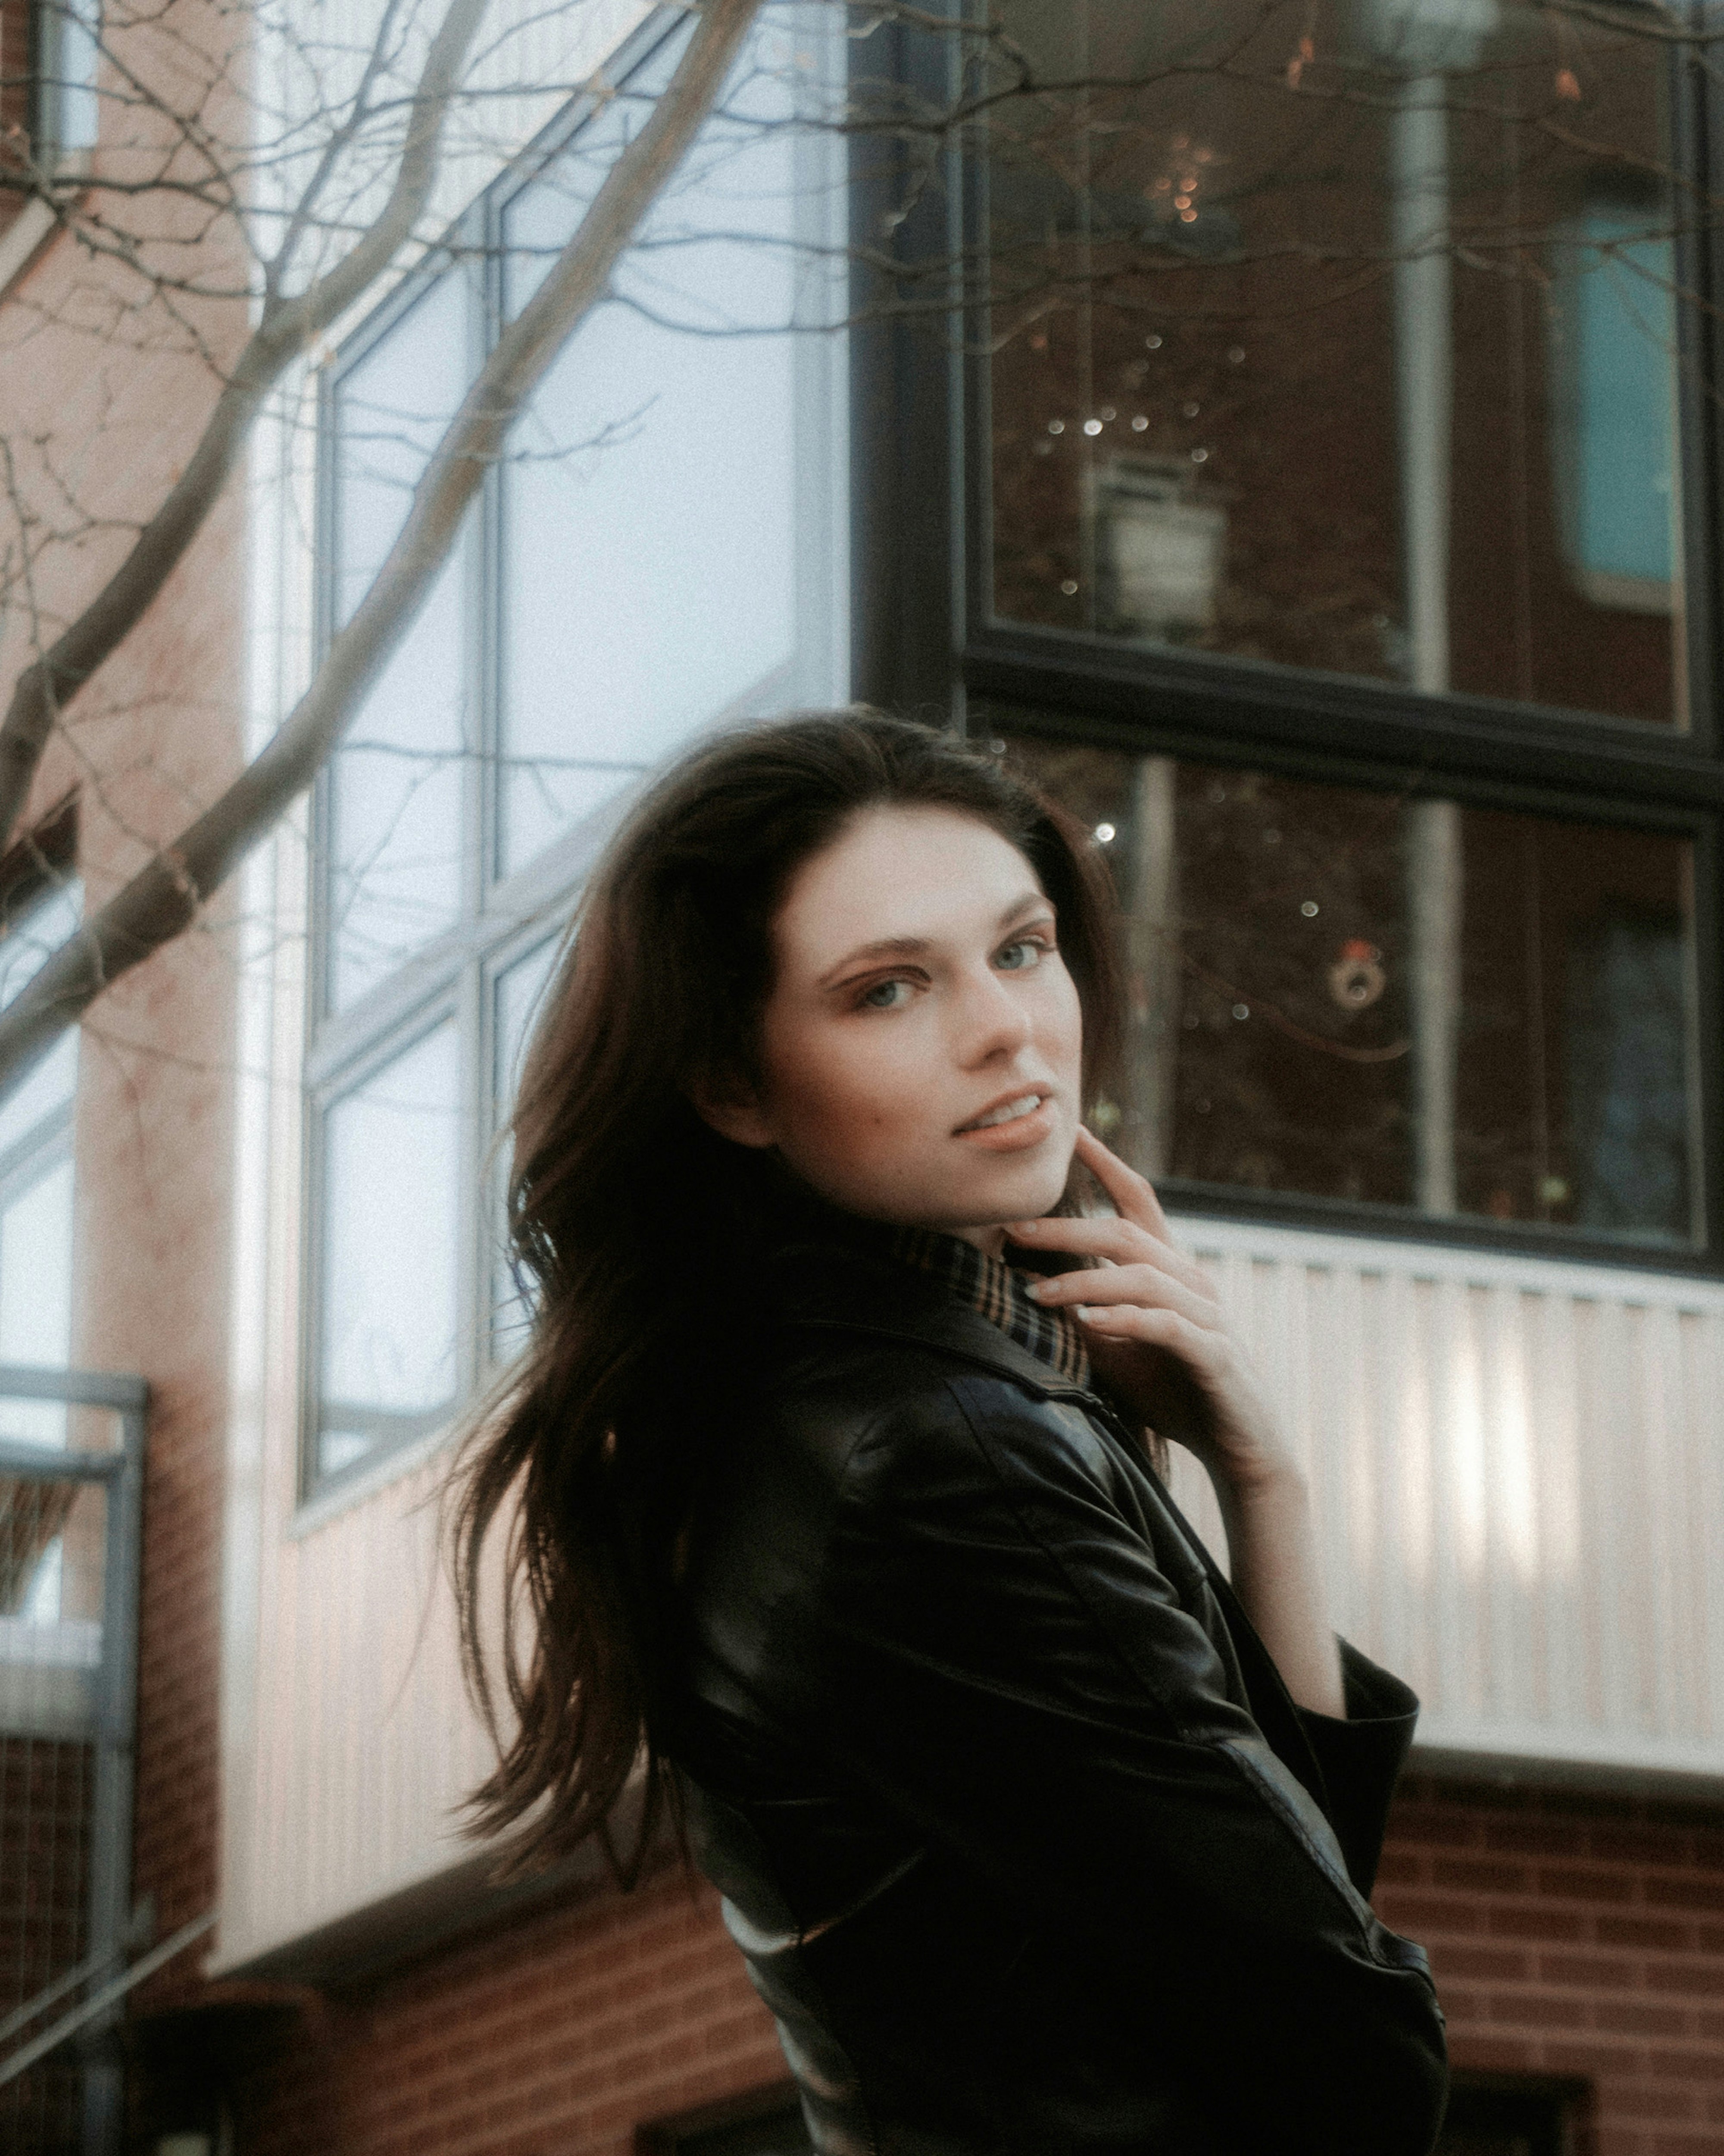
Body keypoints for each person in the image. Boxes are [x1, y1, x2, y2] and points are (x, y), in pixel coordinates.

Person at [451, 711, 1449, 2156]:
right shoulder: (943, 1459)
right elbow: (1353, 2061)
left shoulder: (832, 1393)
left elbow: (1288, 1920)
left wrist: (1262, 1477)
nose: (1006, 1027)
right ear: (733, 1082)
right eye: (886, 990)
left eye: (1022, 947)